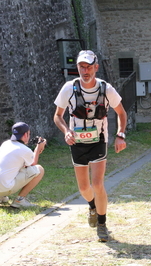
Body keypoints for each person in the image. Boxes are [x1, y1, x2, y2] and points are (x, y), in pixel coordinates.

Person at [53, 50, 127, 242]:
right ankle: (92, 206)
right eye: (81, 67)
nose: (85, 71)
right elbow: (58, 116)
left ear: (96, 67)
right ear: (77, 67)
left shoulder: (106, 89)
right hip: (77, 142)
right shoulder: (69, 88)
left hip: (98, 141)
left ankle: (102, 224)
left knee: (97, 184)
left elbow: (121, 113)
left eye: (88, 67)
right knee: (84, 188)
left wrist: (120, 134)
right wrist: (66, 131)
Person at [0, 122, 46, 208]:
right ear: (25, 134)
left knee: (12, 168)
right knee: (39, 169)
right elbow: (33, 164)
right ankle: (19, 200)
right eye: (29, 133)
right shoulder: (25, 150)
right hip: (3, 187)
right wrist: (38, 148)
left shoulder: (5, 143)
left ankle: (0, 197)